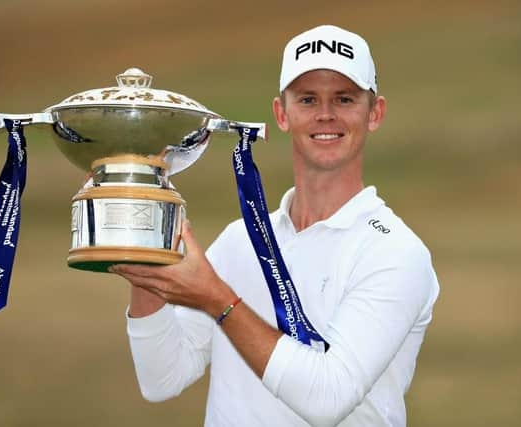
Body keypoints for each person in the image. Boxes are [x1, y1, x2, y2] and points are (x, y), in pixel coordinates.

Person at [110, 24, 440, 427]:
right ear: (281, 114)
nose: (325, 114)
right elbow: (162, 378)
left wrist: (218, 300)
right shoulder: (240, 240)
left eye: (344, 98)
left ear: (375, 113)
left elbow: (328, 396)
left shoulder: (396, 253)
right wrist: (146, 262)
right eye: (307, 99)